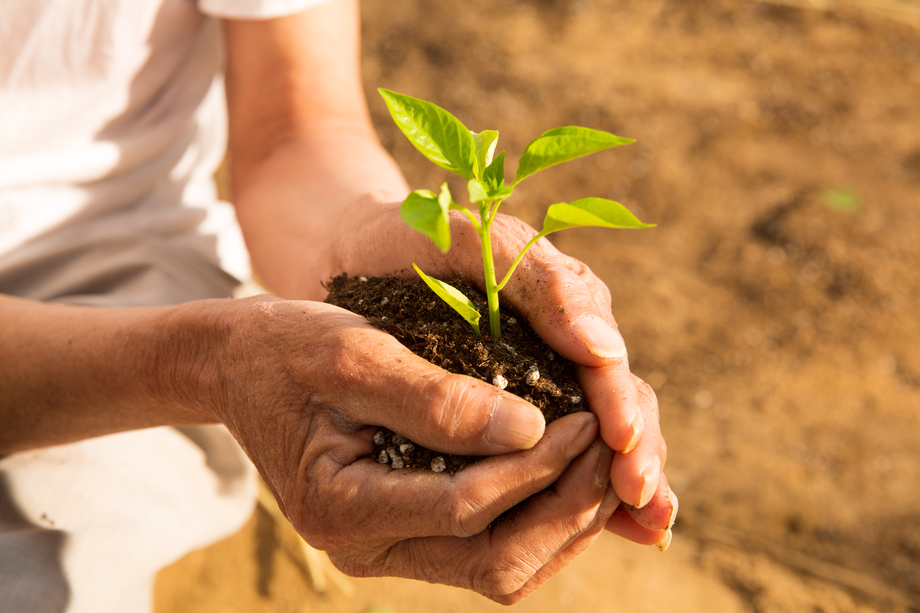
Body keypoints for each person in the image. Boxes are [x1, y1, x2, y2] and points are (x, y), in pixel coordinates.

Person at [0, 0, 677, 611]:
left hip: (122, 262)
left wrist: (360, 241)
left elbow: (290, 130)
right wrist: (198, 364)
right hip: (152, 339)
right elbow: (205, 356)